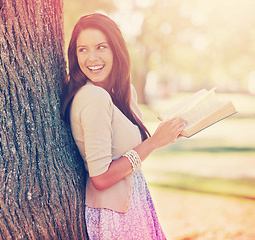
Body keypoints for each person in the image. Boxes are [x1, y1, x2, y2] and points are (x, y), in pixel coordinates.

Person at [61, 13, 187, 240]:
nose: (92, 58)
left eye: (101, 47)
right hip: (115, 216)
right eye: (83, 50)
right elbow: (100, 179)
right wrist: (155, 142)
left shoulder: (122, 93)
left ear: (116, 49)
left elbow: (130, 153)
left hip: (135, 203)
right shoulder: (93, 97)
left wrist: (164, 136)